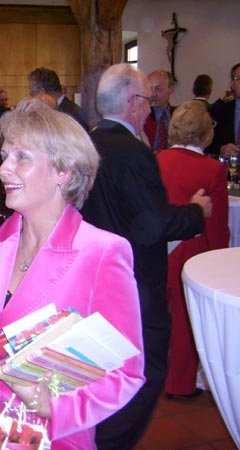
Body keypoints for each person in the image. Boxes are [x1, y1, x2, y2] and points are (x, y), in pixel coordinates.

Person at [0, 100, 145, 449]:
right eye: (5, 156)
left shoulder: (102, 252)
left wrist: (55, 406)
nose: (4, 169)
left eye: (21, 157)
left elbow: (126, 370)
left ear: (64, 171)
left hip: (49, 435)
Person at [80, 63, 211, 450]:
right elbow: (152, 225)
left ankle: (92, 434)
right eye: (148, 102)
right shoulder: (134, 152)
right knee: (145, 370)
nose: (150, 110)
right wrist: (196, 212)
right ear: (132, 102)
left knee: (102, 368)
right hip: (133, 282)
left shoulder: (85, 144)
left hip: (92, 276)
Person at [156, 101, 229, 398]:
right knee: (186, 321)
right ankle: (180, 383)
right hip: (192, 250)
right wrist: (219, 258)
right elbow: (217, 224)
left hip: (158, 247)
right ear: (207, 133)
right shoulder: (213, 169)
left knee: (156, 316)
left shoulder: (157, 159)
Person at [207, 62, 240, 158]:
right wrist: (221, 149)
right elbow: (205, 144)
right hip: (228, 166)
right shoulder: (219, 111)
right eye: (239, 79)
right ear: (232, 84)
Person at [144, 69, 177, 151]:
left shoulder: (179, 116)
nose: (153, 94)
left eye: (158, 88)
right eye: (150, 89)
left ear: (171, 89)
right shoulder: (142, 117)